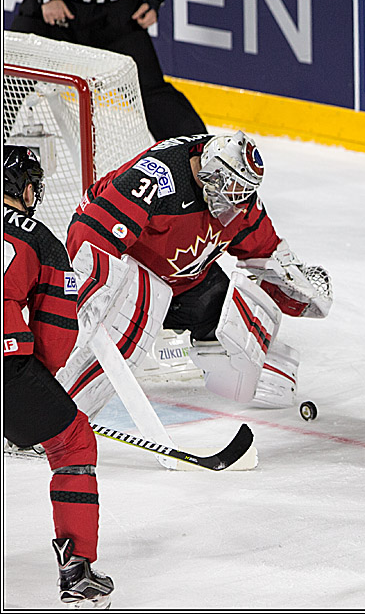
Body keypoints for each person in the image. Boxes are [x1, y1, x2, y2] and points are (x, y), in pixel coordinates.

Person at [59, 131, 333, 422]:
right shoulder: (155, 179)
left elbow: (264, 251)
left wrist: (296, 291)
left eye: (244, 190)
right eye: (233, 186)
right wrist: (89, 291)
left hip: (185, 277)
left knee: (241, 331)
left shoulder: (236, 197)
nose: (238, 198)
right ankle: (56, 416)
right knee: (118, 336)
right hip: (130, 271)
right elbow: (93, 236)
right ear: (212, 172)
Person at [3, 145, 115, 608]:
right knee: (72, 443)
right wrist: (38, 402)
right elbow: (56, 333)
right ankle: (77, 570)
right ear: (25, 188)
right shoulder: (42, 240)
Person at [10, 0, 207, 141]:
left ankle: (198, 153)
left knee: (151, 89)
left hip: (115, 11)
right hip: (55, 4)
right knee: (10, 75)